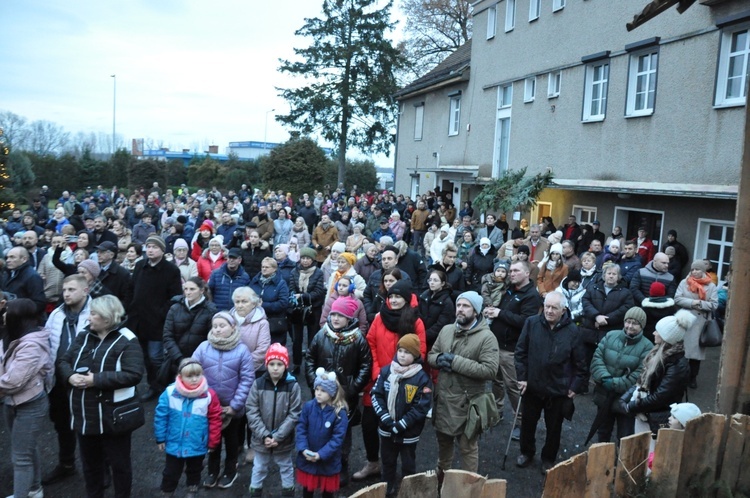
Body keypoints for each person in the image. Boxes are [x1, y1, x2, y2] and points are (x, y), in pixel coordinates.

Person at [58, 295, 145, 498]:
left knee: (119, 466)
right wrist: (70, 376)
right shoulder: (84, 335)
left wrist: (96, 380)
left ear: (107, 318)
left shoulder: (127, 339)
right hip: (85, 414)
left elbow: (134, 374)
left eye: (93, 313)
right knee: (90, 465)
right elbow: (63, 360)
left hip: (113, 416)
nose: (88, 318)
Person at [359, 280, 426, 481]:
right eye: (391, 296)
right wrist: (378, 371)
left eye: (398, 297)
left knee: (399, 426)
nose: (394, 300)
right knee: (369, 423)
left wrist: (401, 373)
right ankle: (373, 462)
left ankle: (402, 475)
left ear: (406, 299)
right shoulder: (379, 317)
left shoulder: (415, 321)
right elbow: (370, 342)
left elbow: (420, 350)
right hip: (379, 377)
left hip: (405, 381)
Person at [428, 291, 500, 475]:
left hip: (469, 403)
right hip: (444, 399)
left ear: (476, 311)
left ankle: (470, 486)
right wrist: (439, 359)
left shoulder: (487, 337)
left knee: (467, 448)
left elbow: (490, 371)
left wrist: (455, 361)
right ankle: (442, 480)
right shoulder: (446, 330)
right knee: (443, 444)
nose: (460, 309)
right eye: (459, 305)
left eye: (466, 306)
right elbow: (431, 355)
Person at [515, 292, 587, 474]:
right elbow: (520, 352)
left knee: (554, 428)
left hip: (558, 389)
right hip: (532, 385)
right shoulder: (532, 323)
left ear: (563, 310)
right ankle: (526, 452)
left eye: (554, 308)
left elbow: (580, 363)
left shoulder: (573, 331)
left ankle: (548, 458)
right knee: (528, 423)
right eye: (547, 306)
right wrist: (522, 377)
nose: (549, 310)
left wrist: (575, 387)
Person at [305, 297, 373, 485]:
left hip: (345, 395)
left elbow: (365, 366)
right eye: (333, 314)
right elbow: (310, 358)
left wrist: (352, 389)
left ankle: (341, 464)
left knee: (342, 431)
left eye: (340, 315)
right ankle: (319, 461)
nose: (335, 318)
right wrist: (313, 382)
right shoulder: (322, 335)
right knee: (319, 428)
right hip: (322, 392)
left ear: (349, 317)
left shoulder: (358, 338)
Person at [193, 312, 255, 489]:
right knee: (213, 440)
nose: (218, 329)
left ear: (233, 327)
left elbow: (247, 380)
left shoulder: (242, 350)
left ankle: (230, 470)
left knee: (231, 439)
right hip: (209, 407)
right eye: (215, 326)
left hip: (232, 408)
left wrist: (235, 406)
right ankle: (212, 471)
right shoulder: (204, 347)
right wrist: (202, 400)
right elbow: (194, 372)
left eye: (223, 325)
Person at [0, 298, 53, 498]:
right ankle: (35, 488)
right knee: (27, 449)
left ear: (18, 317)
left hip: (29, 404)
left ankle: (22, 494)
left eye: (7, 311)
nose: (4, 314)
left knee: (21, 457)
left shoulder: (32, 345)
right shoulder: (12, 336)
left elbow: (13, 381)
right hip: (12, 402)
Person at [42, 275, 91, 486]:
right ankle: (67, 464)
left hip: (85, 381)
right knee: (62, 425)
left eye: (71, 289)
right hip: (59, 381)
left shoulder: (95, 312)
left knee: (91, 426)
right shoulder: (57, 314)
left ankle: (100, 468)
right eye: (64, 290)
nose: (66, 294)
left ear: (85, 290)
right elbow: (48, 341)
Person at [371, 334, 432, 497]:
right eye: (400, 350)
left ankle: (409, 490)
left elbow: (421, 406)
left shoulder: (422, 378)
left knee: (408, 464)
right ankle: (387, 487)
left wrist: (403, 423)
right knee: (388, 461)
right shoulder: (386, 372)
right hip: (387, 428)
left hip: (408, 432)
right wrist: (385, 417)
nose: (402, 355)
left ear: (416, 355)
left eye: (407, 352)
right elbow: (376, 395)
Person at [484, 260, 541, 437]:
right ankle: (496, 412)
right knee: (496, 382)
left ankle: (521, 422)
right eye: (511, 271)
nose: (511, 273)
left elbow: (526, 321)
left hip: (512, 349)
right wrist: (492, 311)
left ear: (526, 273)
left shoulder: (531, 296)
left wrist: (500, 313)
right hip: (496, 344)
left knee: (514, 386)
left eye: (516, 271)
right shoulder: (509, 290)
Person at [620, 310, 695, 441]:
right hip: (645, 414)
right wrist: (626, 397)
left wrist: (632, 406)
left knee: (649, 454)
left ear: (667, 336)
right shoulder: (657, 353)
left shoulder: (677, 364)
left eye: (658, 331)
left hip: (656, 418)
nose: (654, 333)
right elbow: (641, 382)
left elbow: (660, 396)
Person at [154, 358, 222, 498]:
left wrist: (213, 441)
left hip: (197, 441)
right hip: (174, 441)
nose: (194, 379)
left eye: (197, 375)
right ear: (180, 376)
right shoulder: (170, 392)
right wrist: (160, 437)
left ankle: (192, 486)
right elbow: (161, 415)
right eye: (189, 376)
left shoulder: (209, 395)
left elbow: (215, 419)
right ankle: (167, 490)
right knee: (171, 470)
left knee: (195, 468)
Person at [129, 236, 183, 402]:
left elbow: (175, 297)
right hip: (138, 320)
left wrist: (160, 313)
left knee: (156, 357)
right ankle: (152, 384)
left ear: (162, 250)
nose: (150, 250)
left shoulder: (171, 270)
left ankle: (161, 386)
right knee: (145, 357)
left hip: (157, 322)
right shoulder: (140, 265)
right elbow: (132, 289)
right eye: (148, 246)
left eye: (154, 247)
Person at [590, 307, 653, 443]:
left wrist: (614, 383)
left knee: (625, 436)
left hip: (626, 400)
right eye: (628, 321)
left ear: (641, 325)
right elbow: (597, 358)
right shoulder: (611, 335)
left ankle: (621, 463)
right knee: (603, 432)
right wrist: (605, 377)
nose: (630, 326)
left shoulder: (647, 347)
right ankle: (602, 461)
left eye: (635, 323)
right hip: (604, 395)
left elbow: (640, 374)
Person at [246, 344, 302, 498]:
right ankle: (255, 493)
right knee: (259, 468)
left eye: (279, 364)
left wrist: (278, 436)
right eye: (272, 364)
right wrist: (264, 435)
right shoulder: (258, 384)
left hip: (283, 440)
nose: (275, 368)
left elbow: (294, 413)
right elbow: (251, 410)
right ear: (266, 365)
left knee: (286, 467)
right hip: (261, 440)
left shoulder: (293, 386)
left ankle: (288, 493)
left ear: (286, 365)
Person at [580, 264, 634, 392]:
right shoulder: (592, 288)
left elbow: (626, 309)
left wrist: (606, 320)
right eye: (609, 273)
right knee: (585, 360)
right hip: (590, 332)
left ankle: (600, 388)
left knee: (605, 363)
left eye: (614, 274)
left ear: (618, 277)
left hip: (610, 333)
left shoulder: (625, 293)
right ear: (604, 275)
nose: (611, 276)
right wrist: (596, 316)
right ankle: (582, 386)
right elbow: (585, 302)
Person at [296, 368, 348, 498]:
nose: (318, 393)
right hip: (308, 458)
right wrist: (303, 449)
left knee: (327, 492)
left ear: (332, 392)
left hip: (328, 461)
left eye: (323, 390)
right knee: (307, 490)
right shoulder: (308, 406)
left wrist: (320, 454)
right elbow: (301, 428)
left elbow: (337, 439)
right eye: (317, 389)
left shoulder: (339, 413)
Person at [161, 277, 217, 386]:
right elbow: (167, 335)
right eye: (186, 289)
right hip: (175, 360)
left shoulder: (210, 311)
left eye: (192, 289)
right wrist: (179, 359)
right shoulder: (175, 308)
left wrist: (194, 360)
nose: (188, 292)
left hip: (199, 361)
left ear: (201, 290)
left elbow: (211, 338)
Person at [674, 260, 718, 389]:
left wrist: (699, 304)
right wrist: (693, 303)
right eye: (692, 269)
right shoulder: (684, 282)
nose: (694, 272)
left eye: (697, 269)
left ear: (703, 271)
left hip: (700, 323)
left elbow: (714, 304)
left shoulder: (711, 286)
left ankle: (692, 378)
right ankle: (678, 377)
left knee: (695, 355)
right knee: (681, 352)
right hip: (684, 321)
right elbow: (677, 298)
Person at [289, 247, 327, 371]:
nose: (305, 261)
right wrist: (294, 296)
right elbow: (291, 287)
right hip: (298, 308)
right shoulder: (294, 271)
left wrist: (303, 296)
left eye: (308, 258)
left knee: (312, 337)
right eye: (303, 258)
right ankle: (296, 363)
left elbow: (318, 292)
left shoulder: (318, 272)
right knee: (296, 338)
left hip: (313, 308)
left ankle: (311, 363)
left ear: (313, 260)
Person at [249, 257, 290, 345]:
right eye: (262, 267)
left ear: (274, 269)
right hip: (256, 321)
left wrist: (264, 305)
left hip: (274, 323)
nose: (264, 269)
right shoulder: (255, 281)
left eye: (267, 267)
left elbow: (283, 303)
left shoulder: (281, 283)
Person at [1, 246, 46, 314]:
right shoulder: (7, 273)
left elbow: (39, 303)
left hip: (24, 319)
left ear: (24, 259)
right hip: (9, 317)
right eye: (7, 257)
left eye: (12, 257)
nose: (8, 260)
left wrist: (19, 310)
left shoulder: (32, 276)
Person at [419, 269, 455, 351]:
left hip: (435, 341)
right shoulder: (424, 296)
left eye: (435, 280)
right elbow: (418, 313)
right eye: (430, 280)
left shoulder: (447, 302)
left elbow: (441, 325)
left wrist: (424, 335)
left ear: (442, 283)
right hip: (420, 334)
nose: (431, 282)